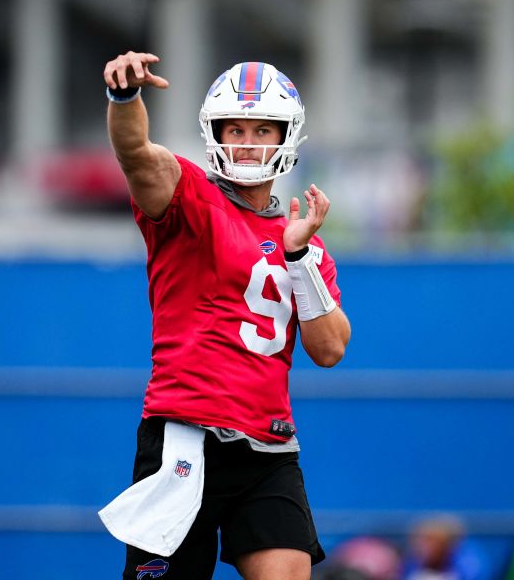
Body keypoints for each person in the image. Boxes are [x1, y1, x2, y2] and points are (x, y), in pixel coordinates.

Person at [96, 51, 353, 580]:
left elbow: (329, 350)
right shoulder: (189, 196)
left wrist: (299, 257)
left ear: (286, 137)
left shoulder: (308, 243)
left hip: (269, 445)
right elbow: (137, 154)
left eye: (262, 128)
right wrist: (124, 97)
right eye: (234, 127)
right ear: (215, 133)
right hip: (187, 435)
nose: (247, 140)